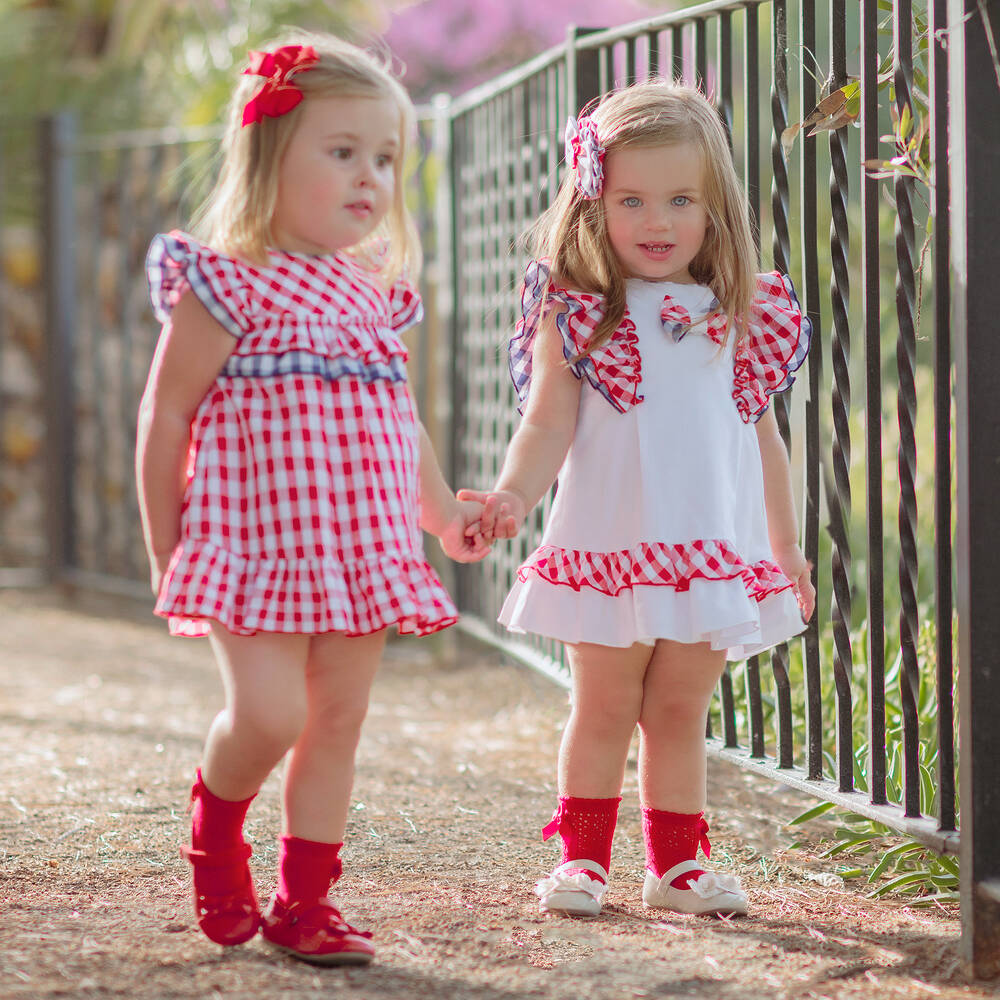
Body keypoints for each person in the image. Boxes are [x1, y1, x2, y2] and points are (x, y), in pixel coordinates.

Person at [136, 32, 488, 965]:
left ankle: (306, 903)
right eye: (343, 152)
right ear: (269, 157)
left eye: (384, 158)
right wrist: (165, 548)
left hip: (359, 550)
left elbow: (396, 425)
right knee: (270, 717)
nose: (369, 177)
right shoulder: (226, 282)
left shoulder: (372, 293)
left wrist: (442, 514)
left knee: (337, 722)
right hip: (253, 547)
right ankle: (216, 833)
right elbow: (166, 417)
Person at [458, 82, 816, 920]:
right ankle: (582, 861)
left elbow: (762, 439)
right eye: (632, 200)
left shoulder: (741, 314)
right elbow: (547, 425)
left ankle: (678, 866)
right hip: (609, 545)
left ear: (713, 206)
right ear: (595, 204)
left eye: (680, 199)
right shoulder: (580, 314)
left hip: (709, 550)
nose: (657, 221)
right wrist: (512, 493)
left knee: (681, 707)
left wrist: (785, 546)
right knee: (607, 704)